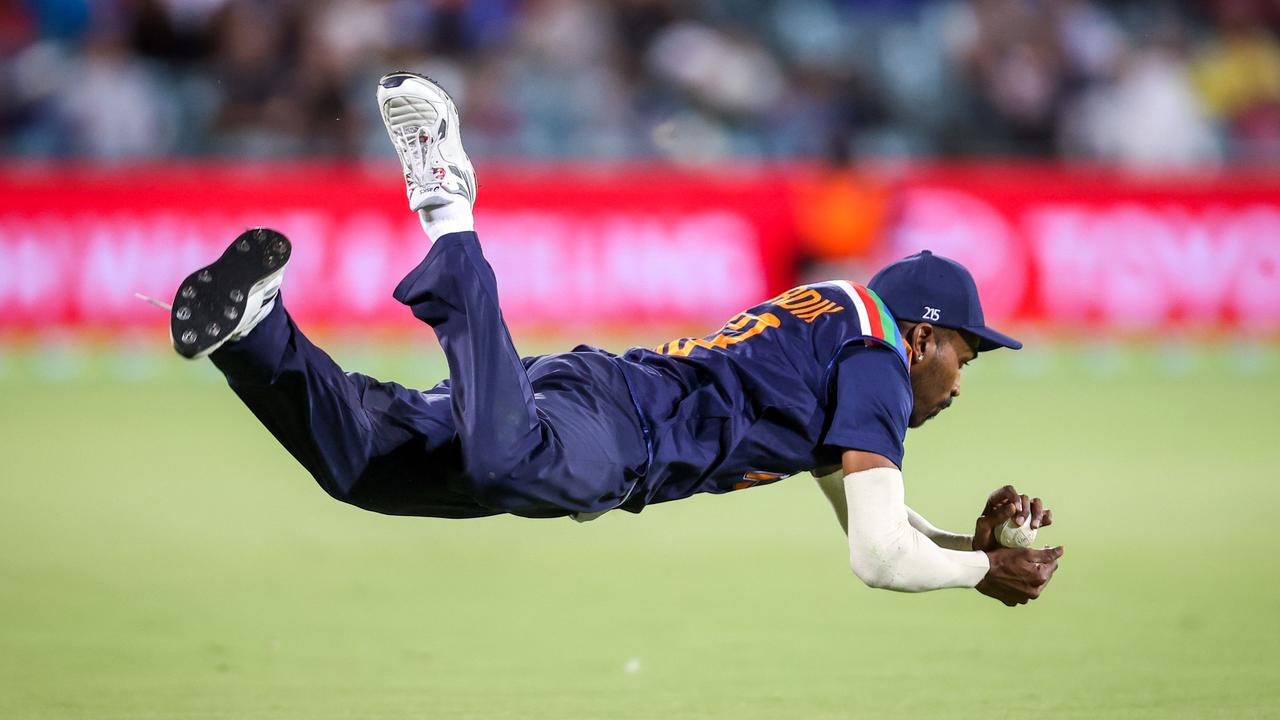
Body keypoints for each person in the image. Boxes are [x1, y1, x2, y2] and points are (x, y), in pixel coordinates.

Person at [167, 72, 1063, 607]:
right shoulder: (874, 364)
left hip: (590, 390)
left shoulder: (839, 322)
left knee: (364, 463)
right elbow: (877, 560)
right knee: (496, 461)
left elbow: (880, 517)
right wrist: (982, 572)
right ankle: (448, 205)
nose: (959, 381)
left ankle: (254, 330)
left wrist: (965, 545)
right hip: (611, 437)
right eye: (965, 355)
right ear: (923, 338)